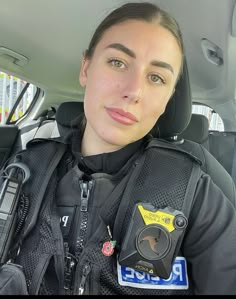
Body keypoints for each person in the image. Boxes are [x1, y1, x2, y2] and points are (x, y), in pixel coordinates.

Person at [0, 1, 236, 296]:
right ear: (86, 68)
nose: (134, 90)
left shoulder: (196, 194)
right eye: (118, 62)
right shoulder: (25, 171)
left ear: (167, 100)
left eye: (156, 78)